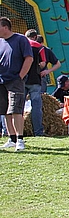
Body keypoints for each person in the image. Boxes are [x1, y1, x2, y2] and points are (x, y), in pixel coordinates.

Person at [0, 17, 33, 151]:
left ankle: (20, 139)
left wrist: (20, 76)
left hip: (15, 81)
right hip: (2, 81)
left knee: (16, 110)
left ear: (5, 27)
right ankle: (12, 138)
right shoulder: (0, 42)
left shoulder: (20, 39)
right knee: (5, 111)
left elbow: (29, 58)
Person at [24, 29, 46, 137]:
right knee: (36, 106)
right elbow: (43, 64)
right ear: (35, 37)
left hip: (21, 79)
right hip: (35, 79)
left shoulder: (20, 44)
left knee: (18, 106)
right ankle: (38, 132)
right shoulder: (39, 46)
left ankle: (16, 131)